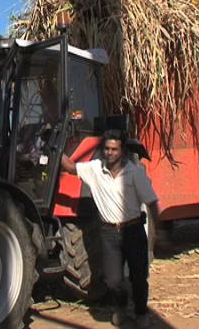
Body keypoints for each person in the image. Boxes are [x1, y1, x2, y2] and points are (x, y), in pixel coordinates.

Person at [61, 129, 159, 328]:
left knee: (138, 277)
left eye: (114, 149)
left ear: (122, 150)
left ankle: (140, 313)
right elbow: (71, 167)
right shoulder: (95, 169)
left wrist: (160, 231)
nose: (110, 153)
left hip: (133, 230)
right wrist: (53, 147)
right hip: (108, 232)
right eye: (106, 149)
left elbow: (152, 202)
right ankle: (121, 307)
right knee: (113, 280)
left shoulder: (134, 173)